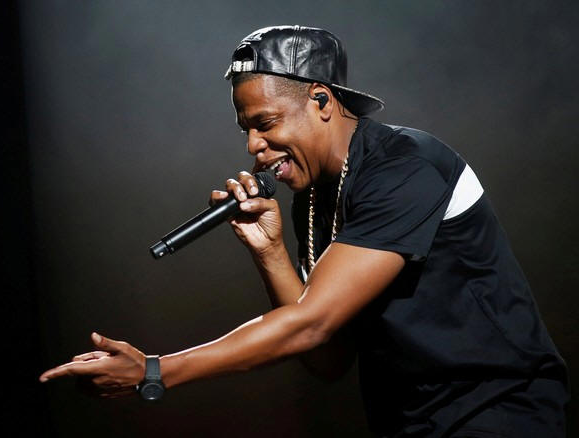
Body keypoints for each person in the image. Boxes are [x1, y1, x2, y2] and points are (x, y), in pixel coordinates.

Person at [40, 25, 570, 437]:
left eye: (265, 124)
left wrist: (156, 371)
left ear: (321, 101)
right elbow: (327, 358)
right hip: (411, 422)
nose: (253, 146)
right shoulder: (314, 197)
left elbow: (311, 326)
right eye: (246, 129)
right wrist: (270, 251)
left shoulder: (406, 167)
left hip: (498, 413)